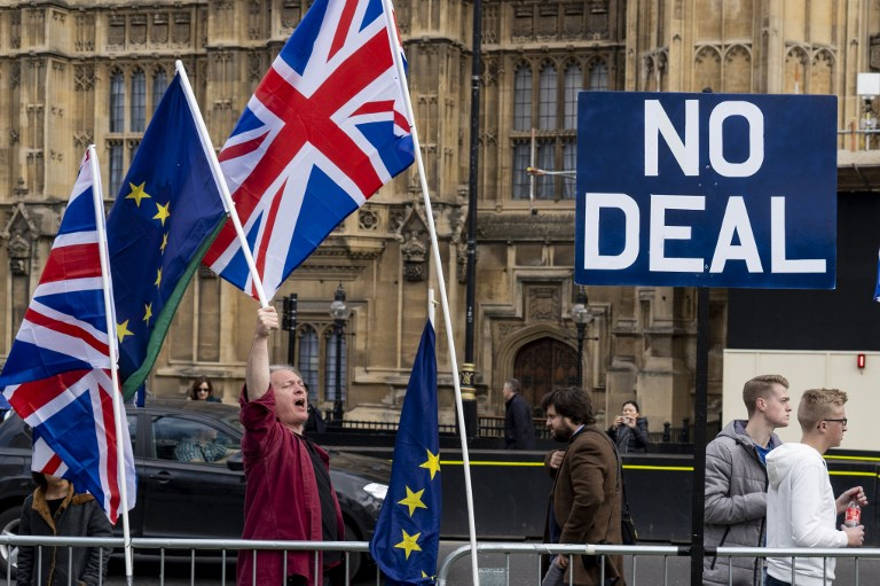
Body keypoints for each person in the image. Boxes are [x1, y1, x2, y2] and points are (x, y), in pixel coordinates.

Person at [238, 306, 344, 586]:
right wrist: (261, 338)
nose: (300, 389)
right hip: (279, 570)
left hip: (314, 566)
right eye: (287, 386)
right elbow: (258, 403)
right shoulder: (269, 440)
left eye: (301, 384)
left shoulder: (311, 450)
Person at [765, 388, 867, 586]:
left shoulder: (794, 459)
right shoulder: (809, 464)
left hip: (784, 575)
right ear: (823, 425)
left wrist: (834, 506)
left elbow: (794, 518)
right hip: (801, 579)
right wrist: (846, 537)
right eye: (842, 421)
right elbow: (806, 534)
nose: (845, 428)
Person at [703, 374, 791, 585]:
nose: (789, 407)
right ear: (761, 403)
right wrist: (768, 501)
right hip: (727, 573)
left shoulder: (783, 453)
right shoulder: (722, 449)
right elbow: (709, 507)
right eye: (783, 400)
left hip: (772, 573)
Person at [541, 387, 624, 586]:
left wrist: (567, 544)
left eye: (552, 417)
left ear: (570, 416)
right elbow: (572, 476)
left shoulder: (586, 445)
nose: (547, 423)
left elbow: (590, 497)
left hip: (583, 556)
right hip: (581, 552)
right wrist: (549, 460)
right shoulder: (588, 439)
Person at [16, 472, 112, 586]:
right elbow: (25, 551)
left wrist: (90, 581)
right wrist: (23, 583)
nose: (57, 468)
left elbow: (103, 544)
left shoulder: (88, 500)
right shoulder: (31, 503)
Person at [503, 378, 536, 449]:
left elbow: (522, 428)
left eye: (504, 389)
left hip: (517, 448)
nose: (503, 391)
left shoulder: (517, 403)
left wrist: (519, 451)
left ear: (509, 390)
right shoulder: (515, 402)